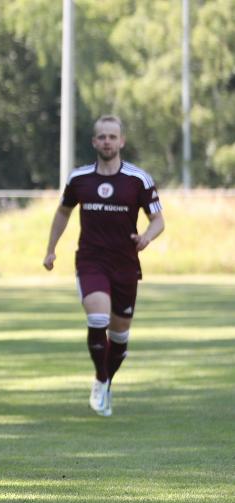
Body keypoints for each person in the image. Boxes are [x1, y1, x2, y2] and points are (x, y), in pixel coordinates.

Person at [43, 115, 165, 417]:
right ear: (94, 142)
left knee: (120, 336)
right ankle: (100, 380)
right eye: (102, 137)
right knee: (98, 318)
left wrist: (147, 237)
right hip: (91, 261)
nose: (107, 141)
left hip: (125, 264)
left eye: (112, 136)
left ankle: (106, 379)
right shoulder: (79, 178)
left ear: (121, 141)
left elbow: (158, 220)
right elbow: (63, 213)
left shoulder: (138, 179)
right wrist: (51, 250)